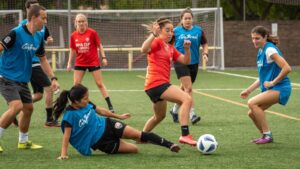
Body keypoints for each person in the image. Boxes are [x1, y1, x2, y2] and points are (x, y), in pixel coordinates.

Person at [53, 84, 180, 160]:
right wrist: (63, 154)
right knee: (134, 149)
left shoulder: (86, 104)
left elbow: (101, 111)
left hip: (109, 125)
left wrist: (119, 116)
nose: (88, 100)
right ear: (75, 101)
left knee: (139, 135)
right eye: (85, 99)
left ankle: (170, 145)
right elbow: (66, 137)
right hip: (102, 142)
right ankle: (121, 142)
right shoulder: (69, 117)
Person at [0, 5, 59, 153]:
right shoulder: (15, 33)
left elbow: (43, 59)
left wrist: (53, 78)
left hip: (22, 79)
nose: (45, 22)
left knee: (28, 108)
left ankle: (23, 141)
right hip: (6, 77)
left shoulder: (39, 36)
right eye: (43, 18)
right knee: (17, 107)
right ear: (33, 18)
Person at [141, 17, 197, 146]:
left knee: (159, 117)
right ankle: (185, 135)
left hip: (153, 87)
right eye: (167, 30)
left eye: (172, 30)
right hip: (157, 83)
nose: (170, 33)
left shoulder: (170, 48)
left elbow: (185, 61)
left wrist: (187, 49)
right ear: (159, 30)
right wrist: (153, 35)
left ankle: (141, 137)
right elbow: (144, 49)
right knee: (187, 99)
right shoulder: (157, 41)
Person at [240, 25, 291, 144]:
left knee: (252, 103)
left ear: (265, 37)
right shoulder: (261, 51)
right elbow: (262, 78)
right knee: (252, 113)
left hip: (281, 88)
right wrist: (248, 90)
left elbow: (287, 68)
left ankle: (267, 135)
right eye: (252, 38)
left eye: (257, 38)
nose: (254, 41)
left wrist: (273, 82)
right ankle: (265, 136)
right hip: (274, 88)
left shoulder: (269, 50)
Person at [13, 0, 59, 128]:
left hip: (37, 61)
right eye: (34, 7)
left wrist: (48, 40)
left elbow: (45, 39)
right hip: (31, 63)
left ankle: (15, 110)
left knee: (38, 95)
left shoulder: (42, 26)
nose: (44, 20)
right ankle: (49, 120)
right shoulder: (21, 28)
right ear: (28, 11)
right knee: (49, 88)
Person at [67, 13, 115, 113]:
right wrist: (69, 63)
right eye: (79, 21)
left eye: (82, 21)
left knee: (99, 83)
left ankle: (110, 105)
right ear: (75, 23)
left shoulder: (92, 33)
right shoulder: (73, 35)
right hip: (80, 62)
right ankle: (78, 104)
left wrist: (104, 57)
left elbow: (99, 45)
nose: (81, 23)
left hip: (93, 61)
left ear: (86, 22)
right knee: (76, 84)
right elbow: (72, 50)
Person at [170, 8, 209, 125]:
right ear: (181, 20)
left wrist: (205, 53)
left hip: (194, 63)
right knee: (189, 88)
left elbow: (205, 43)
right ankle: (192, 114)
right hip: (180, 62)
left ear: (192, 19)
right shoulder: (175, 31)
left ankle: (174, 110)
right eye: (185, 18)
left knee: (183, 89)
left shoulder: (198, 31)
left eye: (189, 18)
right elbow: (168, 45)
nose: (187, 20)